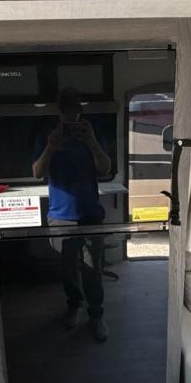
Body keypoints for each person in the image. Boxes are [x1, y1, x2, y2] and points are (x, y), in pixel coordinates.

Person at [32, 87, 112, 341]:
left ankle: (96, 315)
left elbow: (105, 169)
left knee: (93, 269)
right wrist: (51, 146)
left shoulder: (93, 131)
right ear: (59, 110)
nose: (71, 115)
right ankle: (74, 306)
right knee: (67, 269)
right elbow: (37, 172)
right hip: (61, 214)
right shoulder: (48, 134)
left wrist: (92, 141)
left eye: (75, 109)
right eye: (67, 109)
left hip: (90, 213)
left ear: (80, 109)